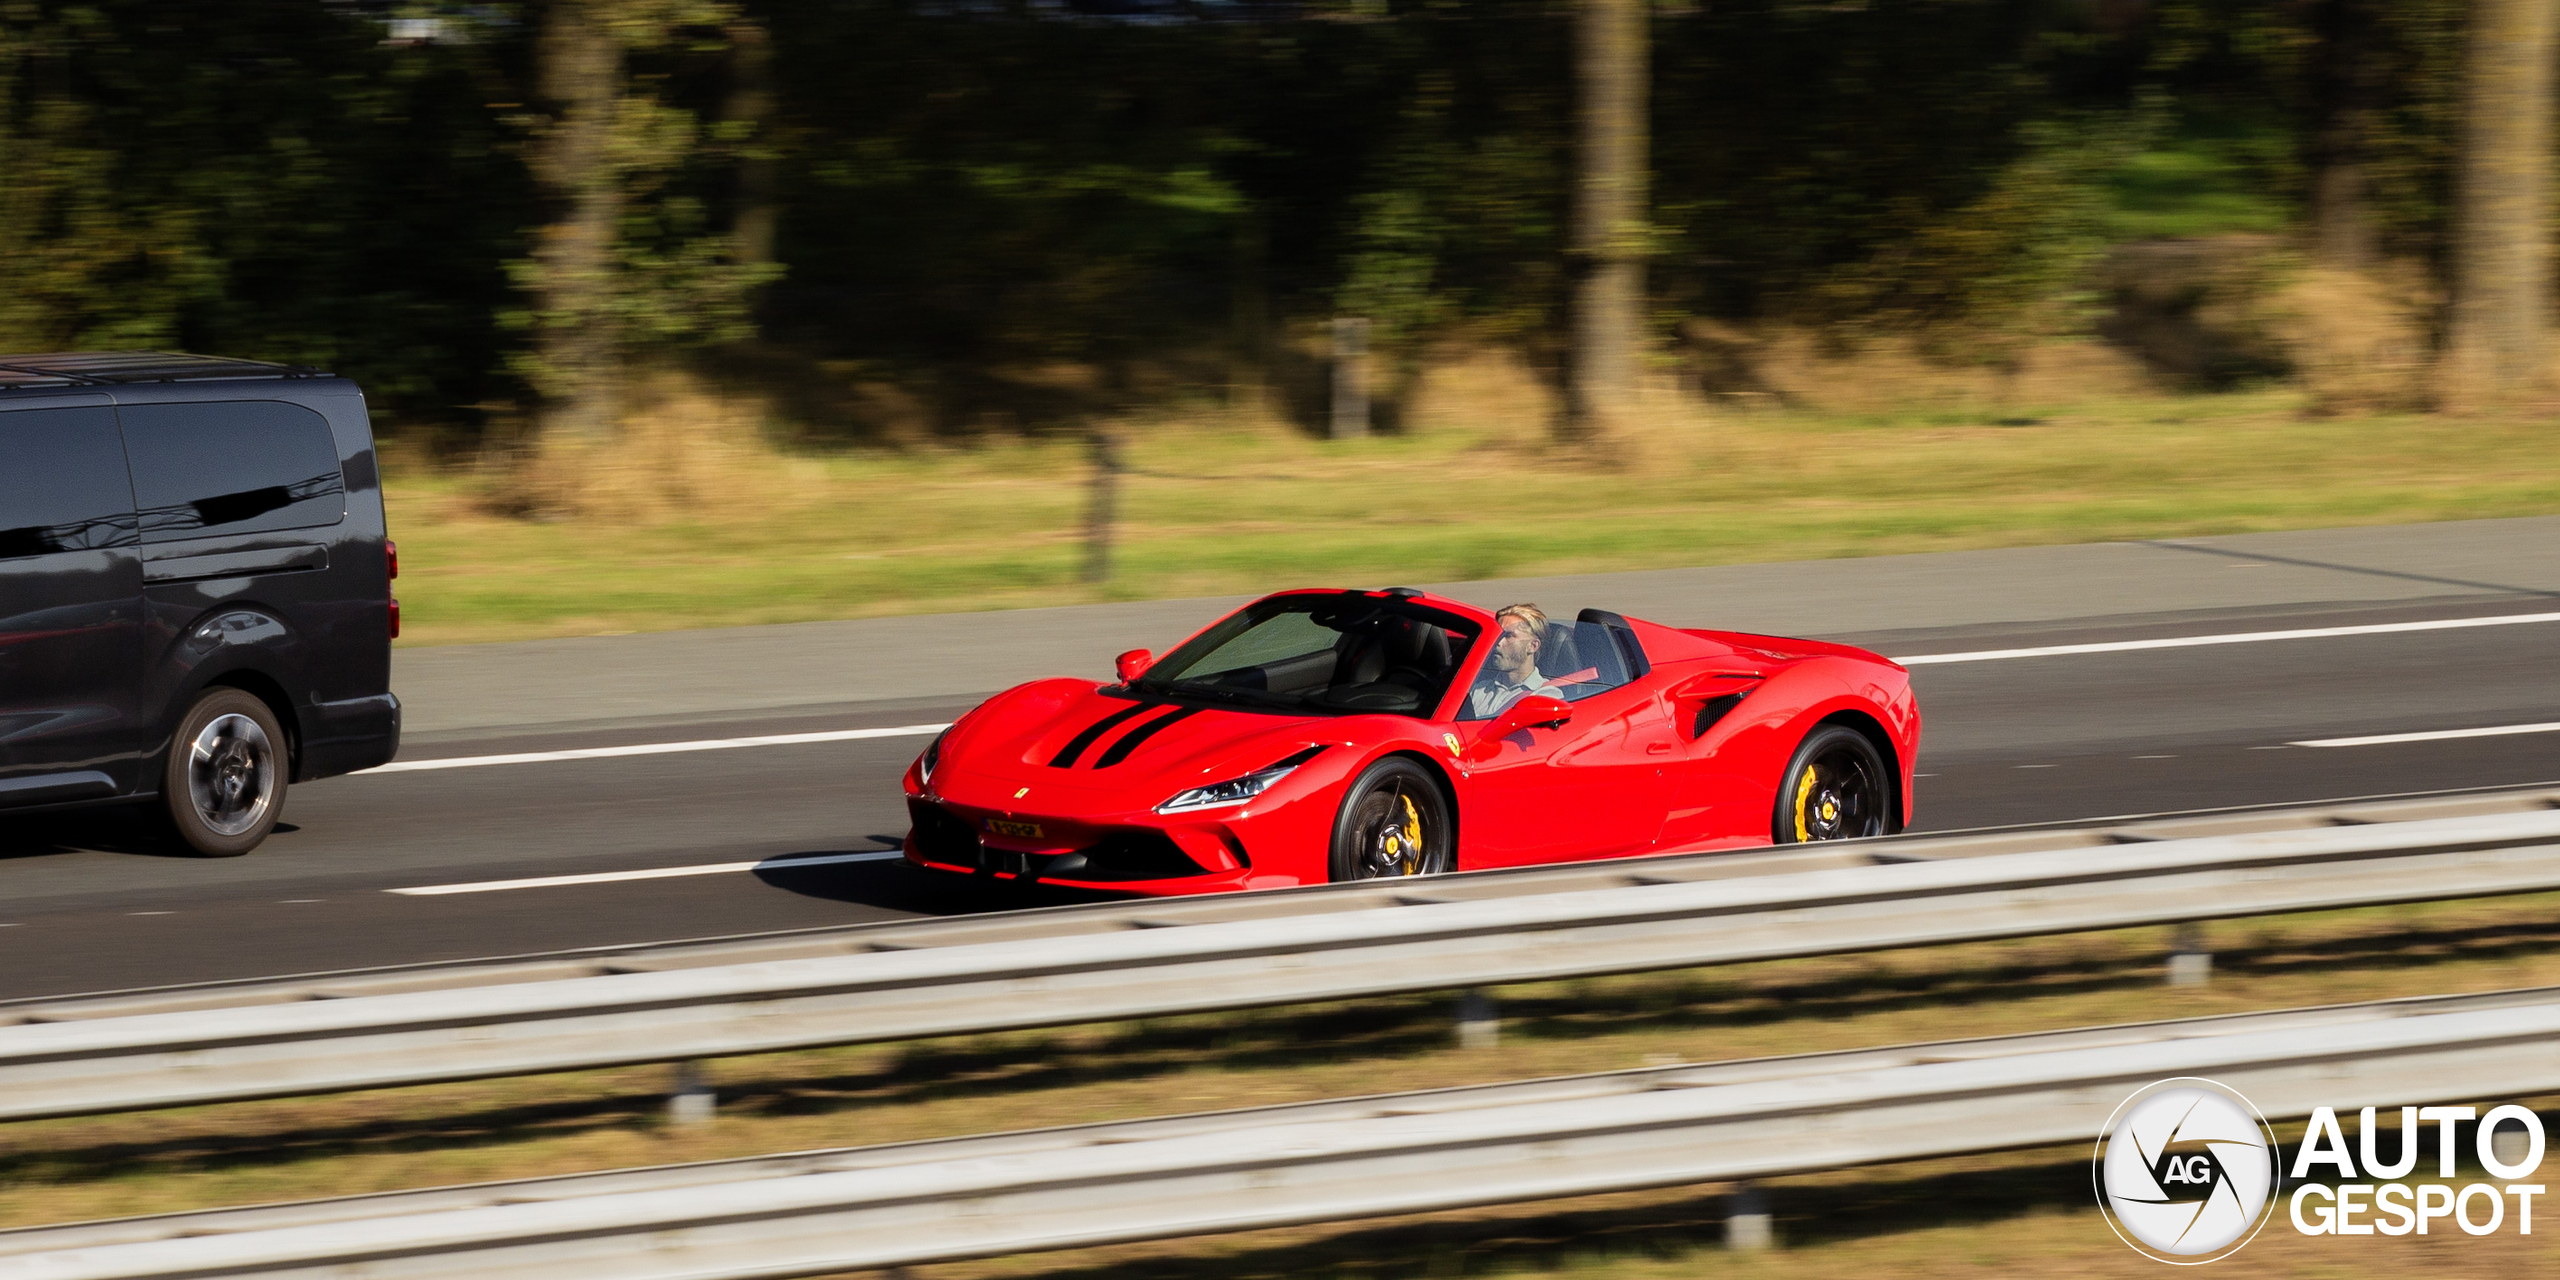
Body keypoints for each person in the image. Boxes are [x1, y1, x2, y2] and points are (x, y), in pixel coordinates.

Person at [1465, 603, 1567, 718]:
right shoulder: (1478, 690)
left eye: (1508, 636)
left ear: (1533, 646)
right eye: (1498, 635)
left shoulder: (1547, 696)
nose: (1498, 642)